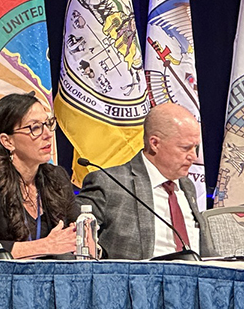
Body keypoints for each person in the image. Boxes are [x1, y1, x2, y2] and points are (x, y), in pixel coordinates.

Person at [0, 92, 79, 258]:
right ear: (8, 141)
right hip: (0, 280)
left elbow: (75, 236)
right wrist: (45, 246)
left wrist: (87, 243)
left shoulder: (57, 178)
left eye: (48, 124)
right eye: (35, 128)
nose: (48, 134)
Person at [77, 103, 203, 258]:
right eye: (185, 148)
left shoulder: (187, 186)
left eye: (195, 147)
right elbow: (73, 242)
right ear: (155, 143)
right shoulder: (109, 183)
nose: (194, 157)